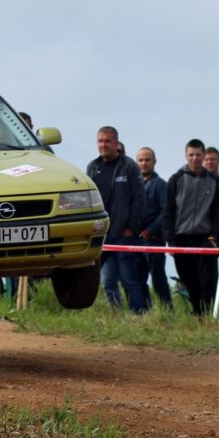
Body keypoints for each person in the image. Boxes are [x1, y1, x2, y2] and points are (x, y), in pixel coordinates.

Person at [86, 126, 149, 313]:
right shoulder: (93, 167)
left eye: (107, 141)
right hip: (102, 236)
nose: (103, 145)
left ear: (116, 143)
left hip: (124, 235)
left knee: (130, 281)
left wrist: (132, 227)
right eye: (100, 141)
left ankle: (139, 316)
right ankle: (117, 317)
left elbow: (139, 198)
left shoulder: (129, 166)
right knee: (107, 282)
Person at [162, 139, 219, 315]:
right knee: (189, 280)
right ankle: (197, 313)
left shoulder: (214, 181)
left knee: (208, 280)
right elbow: (168, 212)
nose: (195, 158)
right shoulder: (176, 179)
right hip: (181, 239)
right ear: (186, 156)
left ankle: (209, 315)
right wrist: (170, 241)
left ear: (203, 155)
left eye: (198, 155)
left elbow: (218, 213)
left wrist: (215, 239)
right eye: (191, 155)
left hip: (205, 238)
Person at [135, 146, 172, 306]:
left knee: (158, 279)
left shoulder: (161, 185)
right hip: (135, 240)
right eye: (141, 160)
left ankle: (167, 310)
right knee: (137, 279)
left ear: (154, 161)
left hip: (154, 239)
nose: (144, 163)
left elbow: (166, 212)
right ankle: (144, 312)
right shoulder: (133, 184)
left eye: (147, 160)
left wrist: (150, 230)